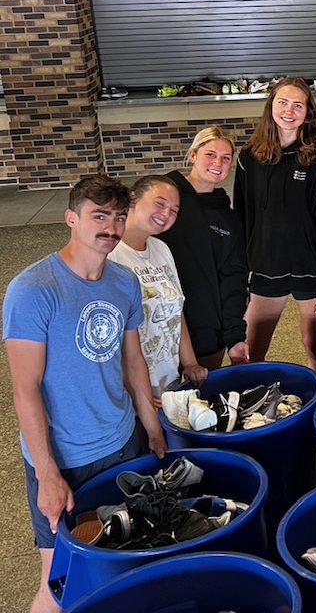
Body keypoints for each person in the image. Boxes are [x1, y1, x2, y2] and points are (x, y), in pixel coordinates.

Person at [3, 175, 166, 613]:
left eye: (117, 216)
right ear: (71, 218)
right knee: (61, 583)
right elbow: (25, 389)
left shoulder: (123, 282)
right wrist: (48, 473)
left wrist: (151, 427)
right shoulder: (33, 290)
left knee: (124, 558)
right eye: (99, 216)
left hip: (120, 443)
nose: (110, 227)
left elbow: (133, 362)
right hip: (66, 457)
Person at [234, 77, 316, 379]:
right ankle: (249, 405)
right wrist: (238, 277)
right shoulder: (249, 158)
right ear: (271, 105)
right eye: (282, 102)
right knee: (250, 350)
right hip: (265, 267)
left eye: (298, 105)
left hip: (309, 269)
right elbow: (243, 219)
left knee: (314, 345)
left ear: (308, 112)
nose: (289, 110)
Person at [159, 126, 250, 370]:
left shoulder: (228, 220)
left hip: (206, 332)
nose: (217, 163)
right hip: (157, 324)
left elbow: (233, 277)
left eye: (226, 158)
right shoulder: (163, 196)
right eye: (210, 154)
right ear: (192, 155)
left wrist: (234, 335)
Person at [108, 175, 207, 397]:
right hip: (132, 390)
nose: (166, 214)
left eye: (174, 210)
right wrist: (139, 395)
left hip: (168, 381)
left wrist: (190, 362)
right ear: (132, 198)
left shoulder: (161, 249)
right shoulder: (110, 254)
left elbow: (175, 310)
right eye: (160, 204)